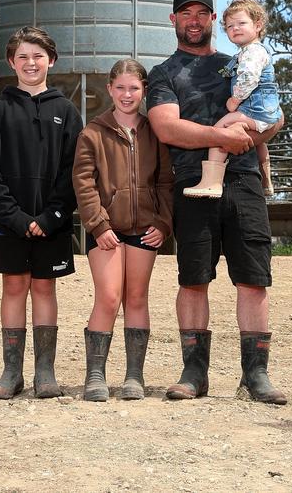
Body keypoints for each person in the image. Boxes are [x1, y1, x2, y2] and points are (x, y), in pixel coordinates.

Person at [146, 0, 286, 404]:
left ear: (212, 21)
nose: (194, 20)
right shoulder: (164, 73)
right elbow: (166, 127)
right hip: (192, 185)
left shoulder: (240, 61)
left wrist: (252, 129)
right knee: (193, 280)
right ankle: (194, 373)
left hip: (243, 182)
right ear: (174, 21)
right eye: (185, 13)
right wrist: (221, 135)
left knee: (253, 279)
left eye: (202, 13)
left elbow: (275, 116)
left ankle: (256, 376)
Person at [0, 26, 82, 400]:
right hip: (9, 223)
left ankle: (45, 372)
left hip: (52, 221)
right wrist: (17, 218)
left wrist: (52, 216)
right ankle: (11, 372)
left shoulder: (66, 111)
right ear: (11, 62)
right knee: (14, 286)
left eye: (38, 56)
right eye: (22, 57)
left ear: (51, 60)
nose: (30, 63)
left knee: (44, 288)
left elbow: (76, 170)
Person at [73, 59, 173, 401]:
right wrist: (98, 224)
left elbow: (164, 181)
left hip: (145, 229)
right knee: (109, 296)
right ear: (109, 89)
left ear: (144, 90)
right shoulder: (93, 132)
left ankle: (134, 376)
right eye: (120, 88)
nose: (127, 95)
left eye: (134, 88)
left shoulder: (155, 132)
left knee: (137, 298)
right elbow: (84, 183)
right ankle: (96, 375)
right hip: (107, 231)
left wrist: (163, 222)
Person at [183, 0, 282, 199]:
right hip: (266, 111)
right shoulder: (247, 52)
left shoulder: (252, 53)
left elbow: (247, 78)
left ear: (257, 25)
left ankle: (212, 182)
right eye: (229, 26)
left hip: (255, 110)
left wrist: (234, 101)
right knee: (259, 143)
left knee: (220, 131)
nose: (235, 28)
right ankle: (266, 181)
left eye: (241, 23)